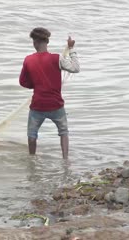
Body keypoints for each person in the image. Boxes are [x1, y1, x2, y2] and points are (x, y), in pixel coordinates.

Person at [19, 27, 80, 159]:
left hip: (37, 105)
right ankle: (65, 160)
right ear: (47, 42)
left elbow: (23, 82)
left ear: (34, 43)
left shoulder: (28, 60)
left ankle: (32, 161)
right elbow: (75, 68)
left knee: (32, 134)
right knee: (63, 132)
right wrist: (71, 49)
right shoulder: (56, 58)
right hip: (56, 105)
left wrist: (36, 84)